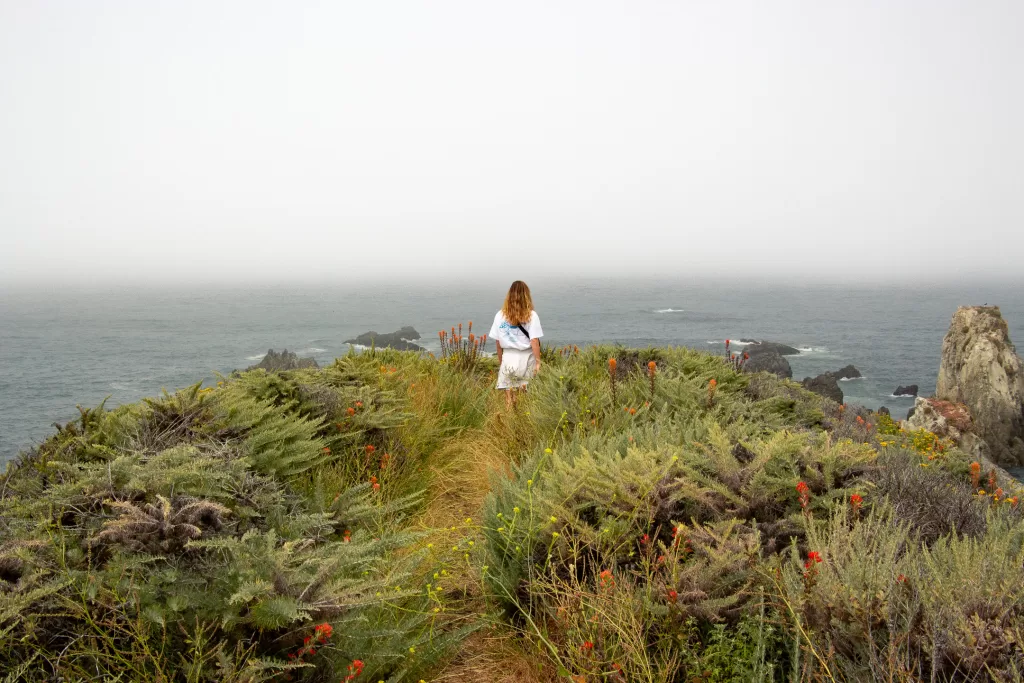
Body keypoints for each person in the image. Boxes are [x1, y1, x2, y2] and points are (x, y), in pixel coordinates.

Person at [489, 280, 543, 406]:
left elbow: (498, 341)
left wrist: (501, 360)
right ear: (526, 295)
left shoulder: (499, 315)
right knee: (523, 397)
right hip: (526, 357)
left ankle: (508, 423)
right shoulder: (531, 315)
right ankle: (521, 423)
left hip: (508, 357)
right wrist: (538, 362)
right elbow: (534, 340)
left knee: (509, 399)